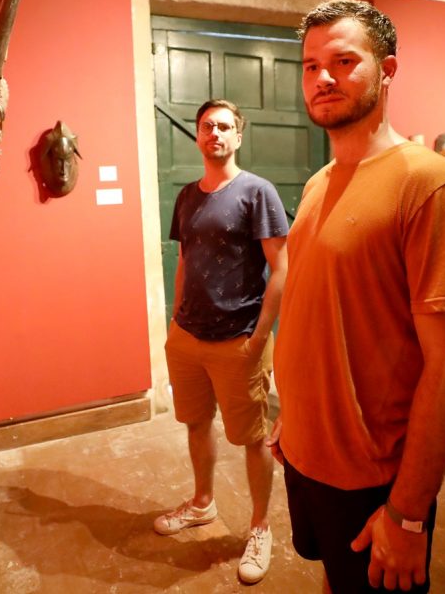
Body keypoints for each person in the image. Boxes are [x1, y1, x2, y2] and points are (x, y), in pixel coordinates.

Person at [268, 0, 445, 593]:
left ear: (387, 70)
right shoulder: (318, 183)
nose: (323, 78)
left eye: (343, 61)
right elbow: (322, 312)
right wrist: (294, 419)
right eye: (311, 66)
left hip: (372, 478)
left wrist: (408, 513)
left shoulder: (429, 184)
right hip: (307, 453)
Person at [154, 99, 289, 585]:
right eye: (208, 126)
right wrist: (174, 321)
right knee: (196, 423)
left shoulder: (257, 191)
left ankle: (260, 527)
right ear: (198, 134)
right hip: (188, 337)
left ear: (238, 136)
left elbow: (282, 269)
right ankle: (202, 503)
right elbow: (185, 260)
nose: (216, 133)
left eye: (225, 127)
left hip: (239, 340)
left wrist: (260, 336)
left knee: (253, 438)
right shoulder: (187, 196)